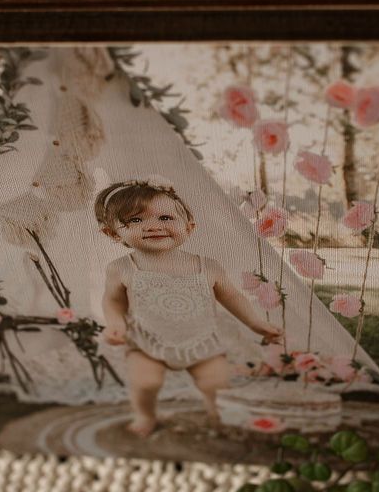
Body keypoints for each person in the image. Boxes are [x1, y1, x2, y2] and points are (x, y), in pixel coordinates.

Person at [95, 178, 283, 437]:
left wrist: (255, 322)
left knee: (215, 384)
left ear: (189, 226)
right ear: (113, 233)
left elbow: (232, 296)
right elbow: (113, 300)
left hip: (201, 341)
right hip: (147, 340)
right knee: (145, 382)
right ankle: (145, 416)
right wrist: (116, 324)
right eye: (136, 221)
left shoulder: (207, 266)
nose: (153, 226)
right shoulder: (122, 267)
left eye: (165, 218)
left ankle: (219, 418)